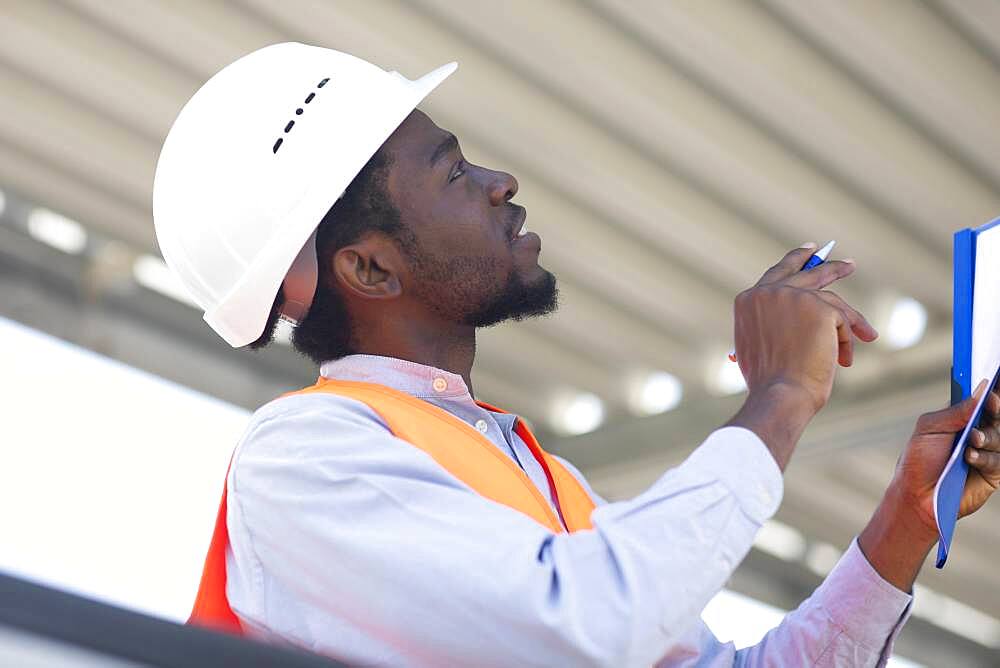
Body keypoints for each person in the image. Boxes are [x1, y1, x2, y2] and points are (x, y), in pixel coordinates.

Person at [152, 43, 1000, 667]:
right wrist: (778, 393)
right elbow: (584, 626)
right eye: (451, 172)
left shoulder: (545, 486)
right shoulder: (303, 458)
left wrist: (902, 527)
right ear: (369, 267)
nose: (499, 181)